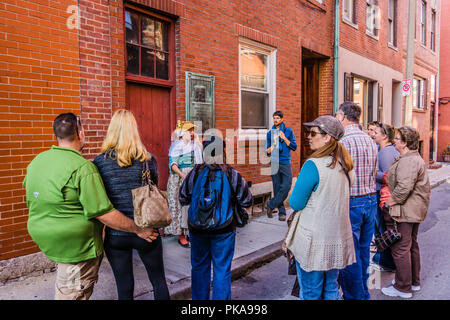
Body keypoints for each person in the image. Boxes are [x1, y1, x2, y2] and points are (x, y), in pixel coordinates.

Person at [23, 113, 159, 300]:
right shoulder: (84, 168)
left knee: (120, 286)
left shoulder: (39, 162)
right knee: (74, 293)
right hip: (79, 248)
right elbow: (103, 212)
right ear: (81, 133)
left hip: (62, 243)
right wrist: (139, 230)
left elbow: (32, 198)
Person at [93, 109, 170, 300]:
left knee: (124, 287)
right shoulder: (148, 159)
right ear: (134, 130)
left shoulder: (99, 163)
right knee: (158, 280)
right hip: (147, 231)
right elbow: (154, 186)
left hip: (116, 234)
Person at [285, 115, 356, 300]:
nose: (309, 136)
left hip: (313, 241)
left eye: (313, 133)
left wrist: (294, 187)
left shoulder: (312, 165)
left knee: (310, 292)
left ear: (327, 138)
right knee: (331, 288)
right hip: (336, 239)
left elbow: (295, 203)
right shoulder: (345, 165)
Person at [179, 136, 252, 300]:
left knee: (199, 268)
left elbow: (183, 198)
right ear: (222, 152)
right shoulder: (232, 174)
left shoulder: (195, 173)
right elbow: (246, 200)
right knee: (222, 269)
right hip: (224, 230)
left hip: (197, 229)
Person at [335, 101, 378, 300]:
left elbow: (337, 176)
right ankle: (363, 293)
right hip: (370, 201)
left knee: (349, 255)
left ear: (343, 116)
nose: (336, 118)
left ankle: (355, 296)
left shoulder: (343, 141)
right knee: (362, 252)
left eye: (337, 115)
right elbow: (374, 172)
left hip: (351, 202)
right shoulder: (371, 140)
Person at [381, 126, 430, 299]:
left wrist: (389, 203)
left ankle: (402, 287)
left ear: (404, 143)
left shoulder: (408, 160)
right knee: (411, 245)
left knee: (401, 248)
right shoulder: (412, 158)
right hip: (413, 209)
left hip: (406, 210)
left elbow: (403, 188)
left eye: (397, 138)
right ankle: (413, 282)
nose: (394, 140)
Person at [165, 121, 203, 248]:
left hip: (192, 176)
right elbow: (173, 165)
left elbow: (200, 161)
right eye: (189, 130)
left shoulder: (194, 145)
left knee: (191, 206)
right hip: (180, 178)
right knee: (180, 206)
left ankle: (190, 233)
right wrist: (184, 176)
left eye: (193, 130)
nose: (192, 133)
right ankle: (181, 235)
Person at [371, 122, 399, 272]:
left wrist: (372, 172)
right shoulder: (385, 150)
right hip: (383, 194)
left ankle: (387, 261)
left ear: (385, 136)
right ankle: (386, 260)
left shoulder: (386, 152)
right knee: (383, 229)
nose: (373, 134)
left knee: (383, 230)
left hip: (382, 195)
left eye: (376, 132)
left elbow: (389, 176)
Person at [266, 111, 297, 221]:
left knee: (286, 186)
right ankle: (281, 212)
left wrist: (284, 138)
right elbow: (267, 151)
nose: (276, 120)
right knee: (277, 187)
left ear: (282, 119)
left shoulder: (288, 131)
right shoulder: (270, 133)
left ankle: (270, 204)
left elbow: (294, 147)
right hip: (274, 162)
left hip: (285, 162)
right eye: (274, 118)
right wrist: (273, 146)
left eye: (278, 118)